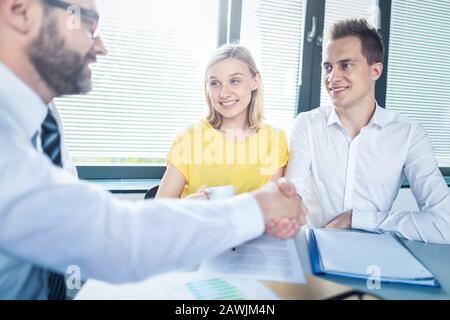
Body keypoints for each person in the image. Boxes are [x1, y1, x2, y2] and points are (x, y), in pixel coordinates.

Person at [0, 0, 307, 299]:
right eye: (88, 25)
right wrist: (260, 206)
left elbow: (70, 231)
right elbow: (114, 237)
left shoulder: (44, 122)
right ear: (20, 11)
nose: (101, 47)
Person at [286, 18, 450, 244]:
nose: (332, 78)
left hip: (376, 260)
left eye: (346, 65)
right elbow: (293, 202)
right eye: (328, 67)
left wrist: (357, 219)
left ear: (375, 71)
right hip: (316, 252)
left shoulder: (409, 134)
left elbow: (445, 225)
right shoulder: (306, 125)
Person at [156, 44, 288, 200]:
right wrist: (189, 205)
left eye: (234, 81)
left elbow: (273, 208)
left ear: (255, 81)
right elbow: (160, 211)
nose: (224, 93)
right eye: (215, 83)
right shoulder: (189, 138)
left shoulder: (275, 140)